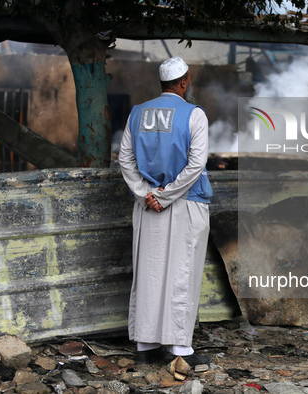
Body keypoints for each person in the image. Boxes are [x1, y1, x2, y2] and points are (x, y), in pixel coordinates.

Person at [118, 56, 213, 366]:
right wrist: (167, 195)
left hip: (147, 207)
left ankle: (146, 346)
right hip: (186, 204)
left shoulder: (137, 113)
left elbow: (125, 161)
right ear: (184, 82)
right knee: (182, 274)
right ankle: (180, 349)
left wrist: (147, 194)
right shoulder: (194, 114)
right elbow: (196, 164)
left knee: (149, 273)